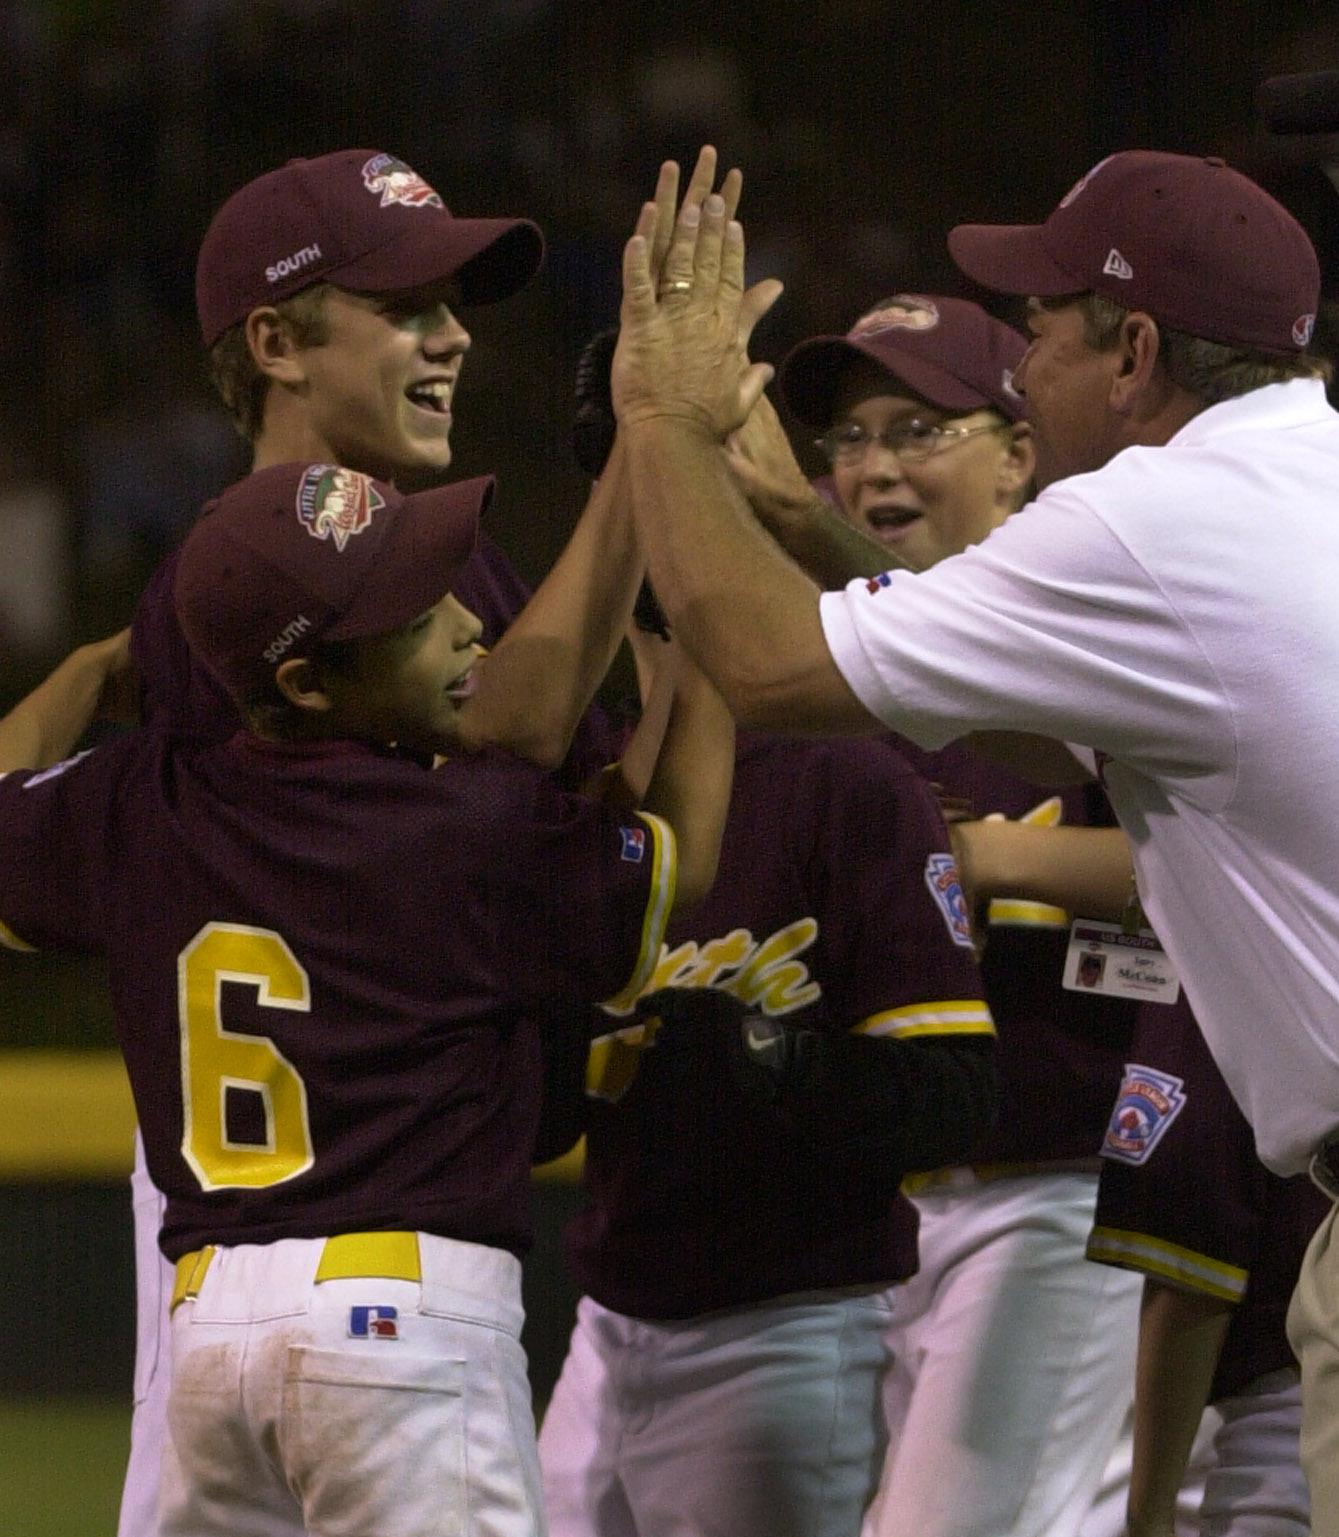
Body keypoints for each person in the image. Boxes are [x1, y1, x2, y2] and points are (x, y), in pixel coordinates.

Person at [608, 151, 1339, 1526]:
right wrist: (797, 524)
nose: (1021, 373)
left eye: (1042, 334)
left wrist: (656, 412)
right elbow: (1005, 683)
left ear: (1131, 353)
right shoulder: (1293, 483)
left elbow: (762, 668)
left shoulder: (1150, 523)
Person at [118, 144, 757, 1536]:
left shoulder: (435, 555)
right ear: (276, 343)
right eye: (402, 304)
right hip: (332, 1234)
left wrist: (671, 545)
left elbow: (583, 790)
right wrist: (658, 448)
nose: (452, 333)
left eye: (452, 301)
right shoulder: (233, 601)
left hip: (272, 1245)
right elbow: (519, 747)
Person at [0, 455, 736, 1536]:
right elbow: (685, 864)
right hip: (402, 1327)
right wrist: (705, 656)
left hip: (211, 1336)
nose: (466, 626)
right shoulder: (461, 827)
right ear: (305, 683)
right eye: (415, 615)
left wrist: (82, 671)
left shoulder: (140, 800)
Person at [534, 344, 997, 1537]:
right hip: (603, 1315)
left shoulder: (852, 783)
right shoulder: (571, 781)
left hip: (791, 1330)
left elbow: (952, 1094)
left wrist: (778, 1061)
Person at [762, 293, 1143, 1537]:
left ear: (1019, 450)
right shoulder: (834, 671)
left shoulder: (1100, 617)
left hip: (1068, 1176)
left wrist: (975, 855)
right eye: (849, 437)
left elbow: (1209, 855)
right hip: (872, 1219)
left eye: (917, 426)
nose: (872, 465)